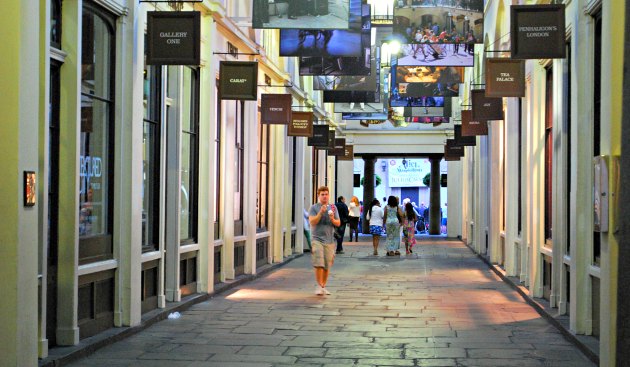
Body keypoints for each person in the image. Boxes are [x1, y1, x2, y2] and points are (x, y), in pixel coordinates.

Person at [308, 186, 341, 295]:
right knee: (319, 263)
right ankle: (318, 286)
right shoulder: (314, 208)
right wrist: (320, 213)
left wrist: (332, 219)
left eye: (326, 194)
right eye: (322, 194)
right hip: (316, 239)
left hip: (329, 240)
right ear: (318, 196)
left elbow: (338, 223)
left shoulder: (333, 207)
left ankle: (323, 286)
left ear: (329, 195)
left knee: (327, 265)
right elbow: (312, 222)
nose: (324, 196)